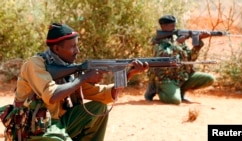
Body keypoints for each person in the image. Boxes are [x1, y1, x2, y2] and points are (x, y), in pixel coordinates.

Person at [0, 23, 149, 141]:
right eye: (72, 46)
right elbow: (51, 95)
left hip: (58, 122)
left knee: (99, 109)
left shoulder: (69, 68)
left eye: (77, 45)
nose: (77, 51)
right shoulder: (35, 64)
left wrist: (128, 74)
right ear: (57, 48)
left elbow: (104, 95)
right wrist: (84, 77)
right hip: (33, 127)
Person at [144, 15, 215, 104]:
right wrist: (177, 43)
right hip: (165, 78)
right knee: (175, 101)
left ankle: (180, 91)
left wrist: (198, 43)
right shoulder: (157, 41)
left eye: (175, 25)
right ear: (163, 26)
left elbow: (190, 58)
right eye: (171, 26)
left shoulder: (176, 37)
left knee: (209, 79)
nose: (174, 28)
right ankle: (157, 89)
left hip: (181, 76)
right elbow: (164, 55)